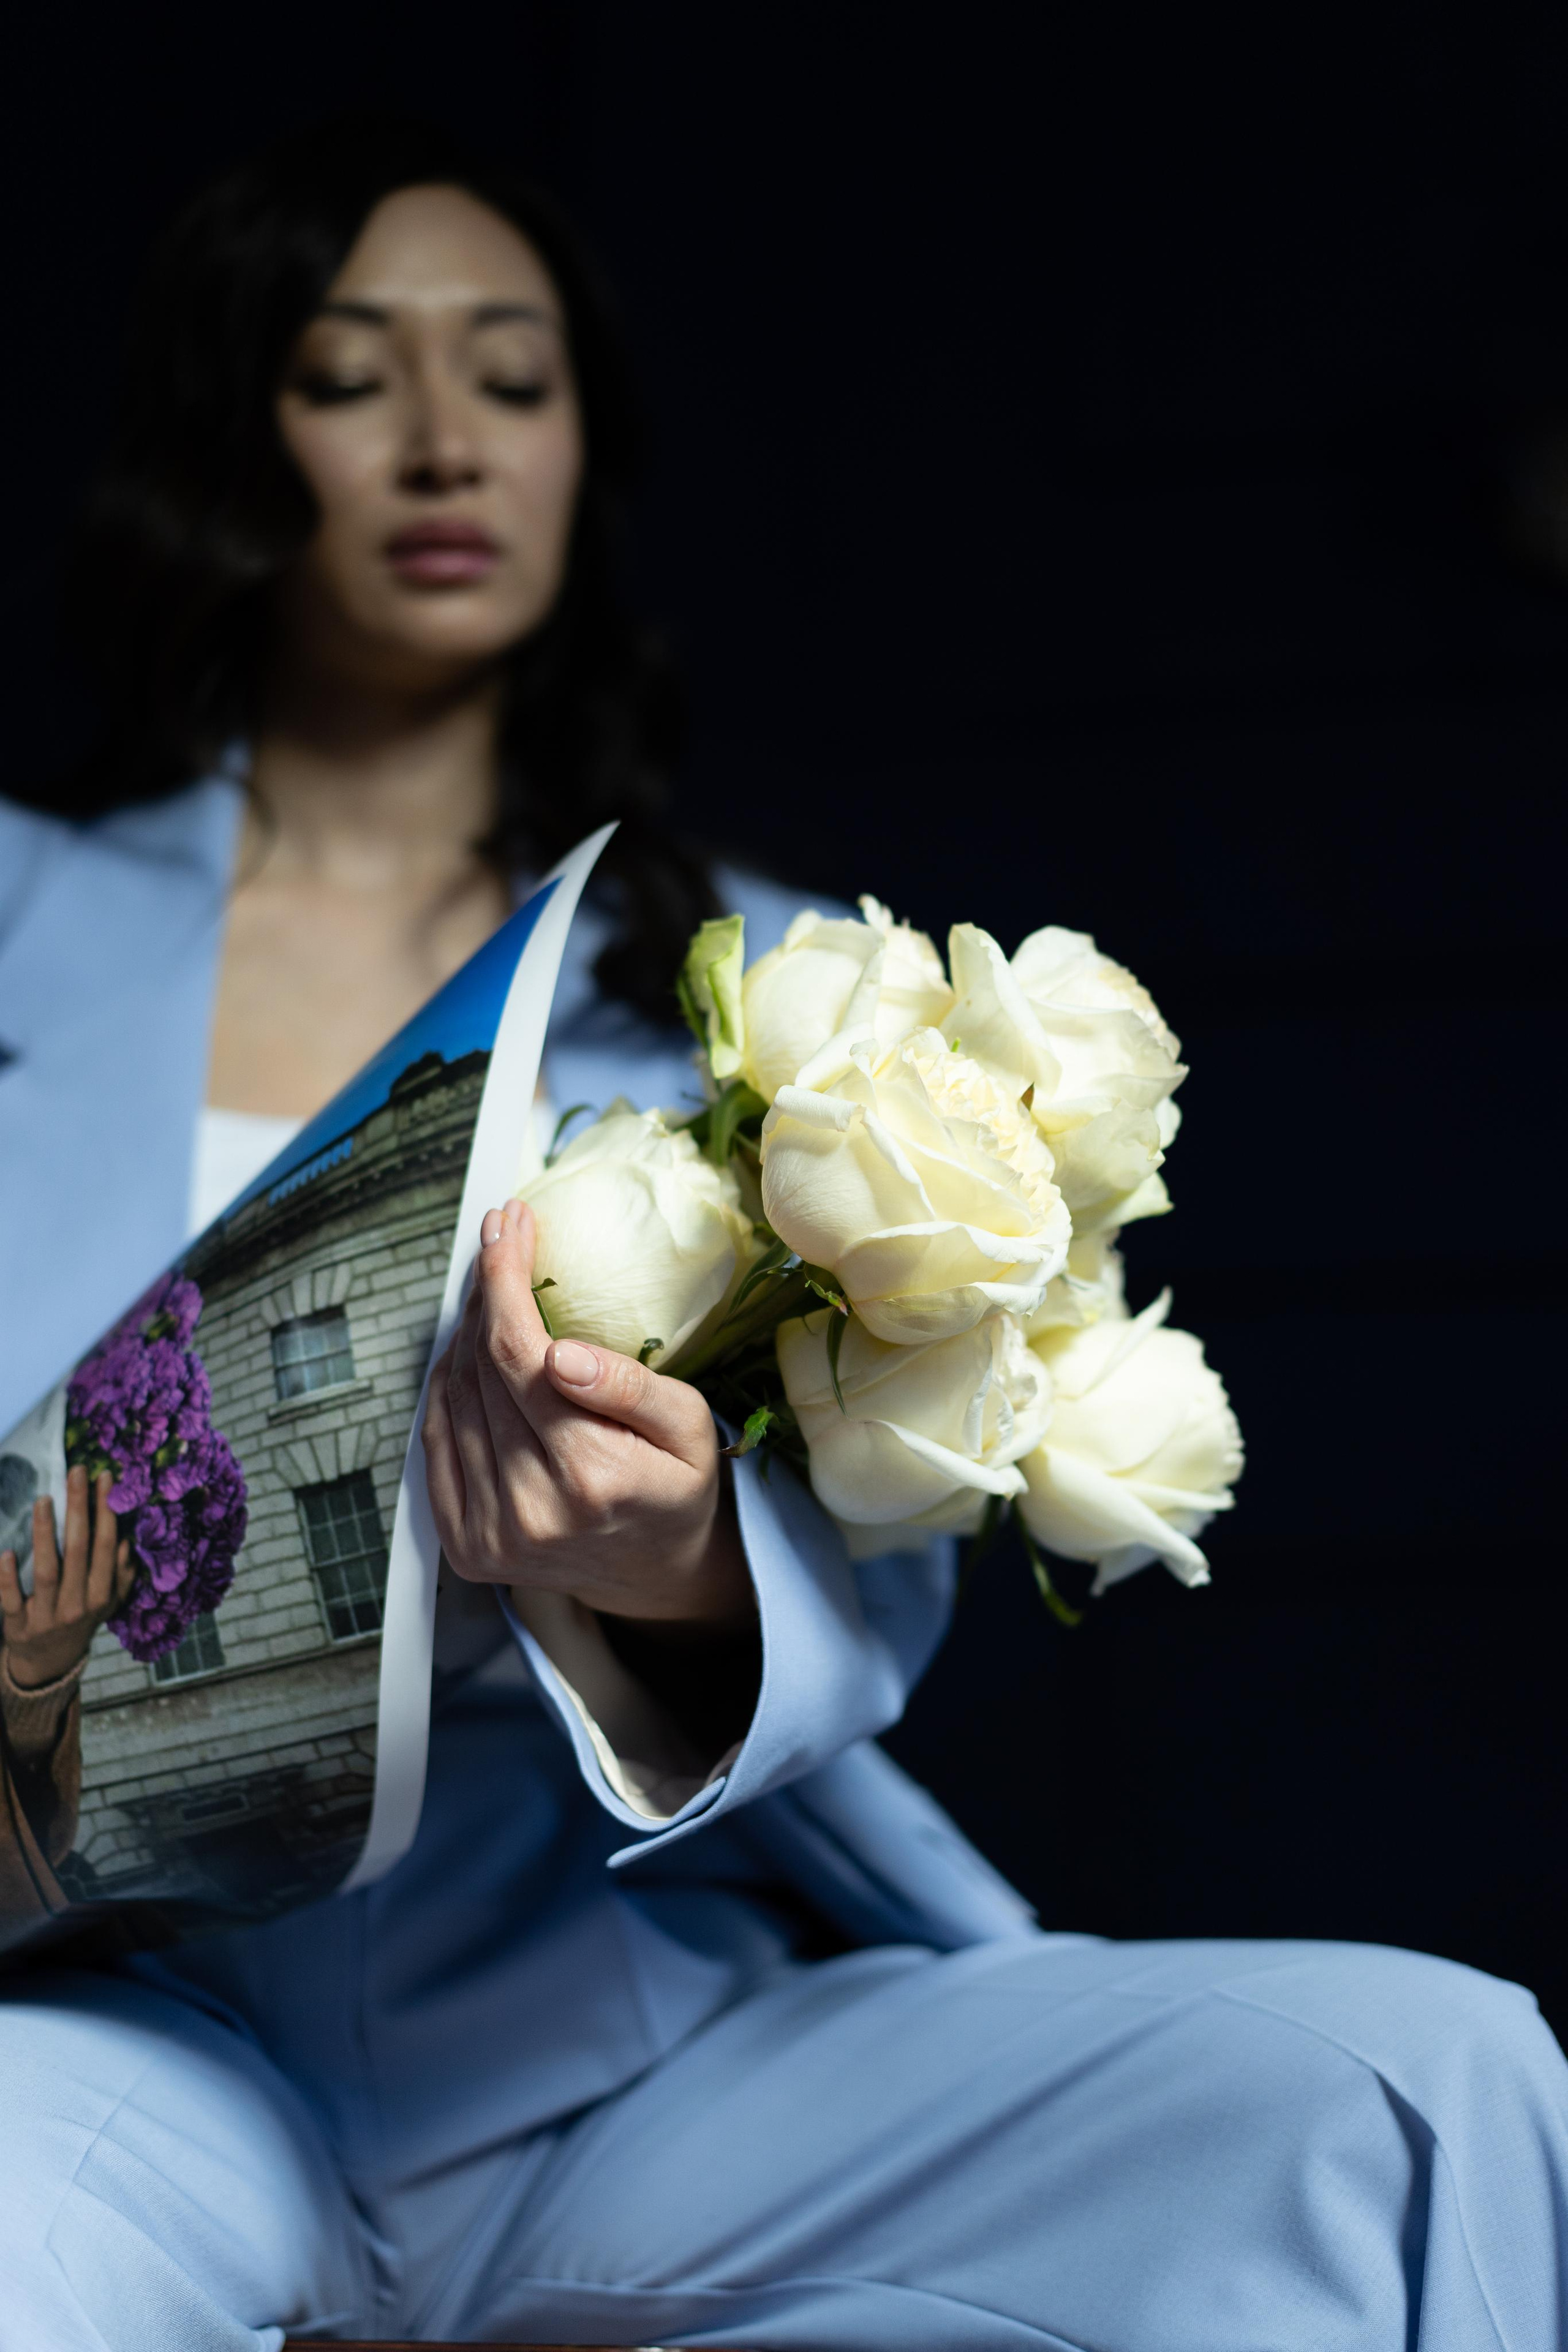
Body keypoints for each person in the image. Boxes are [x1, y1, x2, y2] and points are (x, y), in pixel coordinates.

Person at [1, 115, 1565, 2352]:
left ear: (579, 452)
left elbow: (881, 1559)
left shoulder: (796, 1000)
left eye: (511, 379)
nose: (447, 439)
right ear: (228, 440)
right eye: (354, 376)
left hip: (607, 2025)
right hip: (112, 2029)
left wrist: (668, 1579)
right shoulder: (21, 922)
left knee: (1421, 2090)